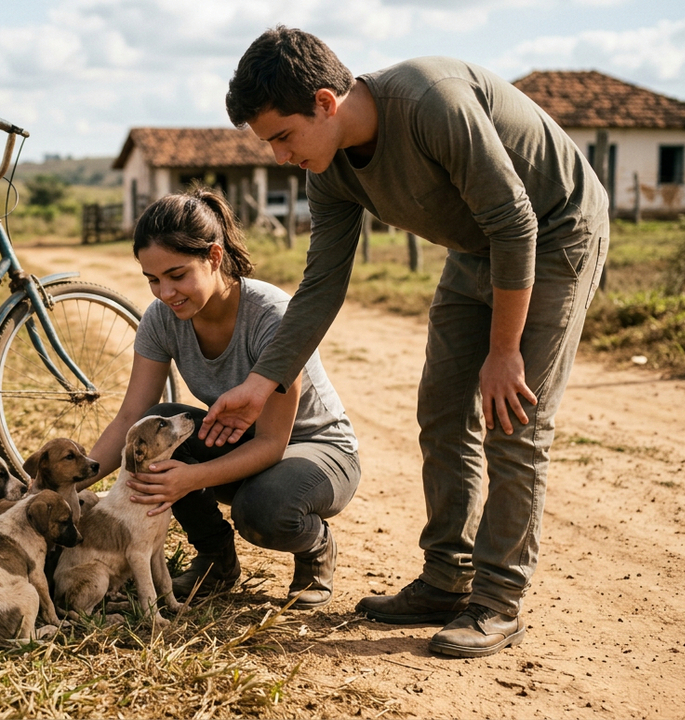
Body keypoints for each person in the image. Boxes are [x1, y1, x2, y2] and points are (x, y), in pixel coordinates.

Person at [203, 27, 610, 658]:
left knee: (514, 420)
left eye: (282, 136)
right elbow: (321, 286)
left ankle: (498, 601)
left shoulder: (432, 103)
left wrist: (505, 352)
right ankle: (448, 579)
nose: (279, 156)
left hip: (553, 235)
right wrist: (261, 383)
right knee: (443, 412)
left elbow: (516, 222)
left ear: (324, 102)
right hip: (477, 247)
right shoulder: (329, 169)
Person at [79, 186, 361, 609]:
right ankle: (215, 559)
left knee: (261, 510)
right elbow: (130, 420)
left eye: (177, 275)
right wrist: (64, 486)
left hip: (315, 452)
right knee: (160, 420)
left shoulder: (272, 316)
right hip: (240, 442)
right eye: (152, 279)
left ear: (214, 257)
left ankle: (314, 547)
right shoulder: (161, 319)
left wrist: (189, 479)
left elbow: (271, 443)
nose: (165, 292)